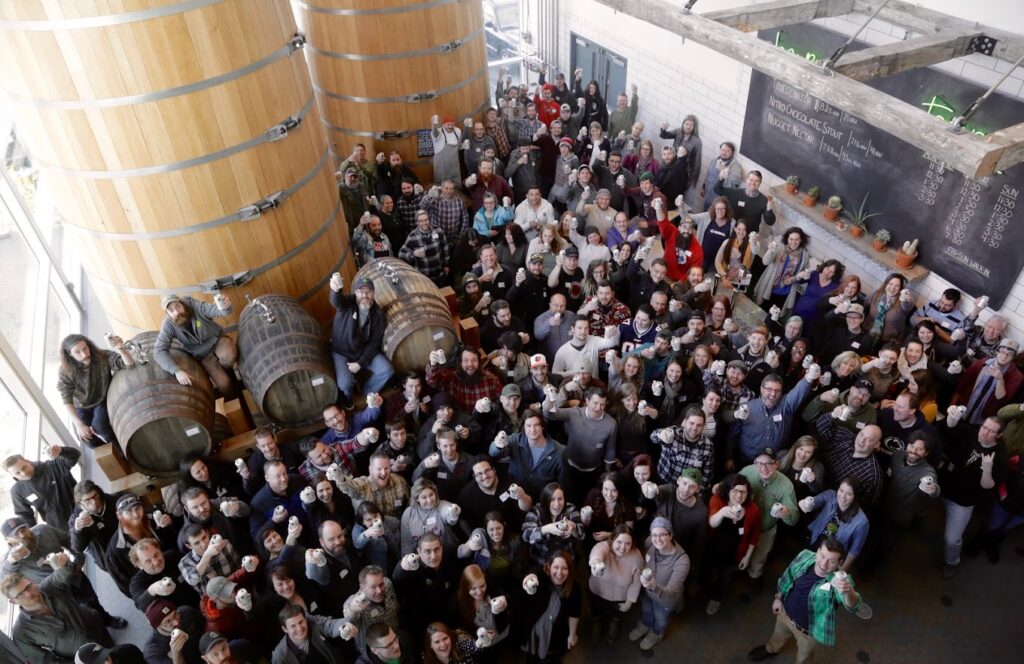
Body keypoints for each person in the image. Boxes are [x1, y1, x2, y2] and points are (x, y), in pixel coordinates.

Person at [747, 537, 864, 663]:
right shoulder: (805, 555)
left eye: (831, 561)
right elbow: (788, 575)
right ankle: (771, 649)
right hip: (784, 614)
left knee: (804, 658)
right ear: (818, 551)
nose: (823, 564)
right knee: (778, 636)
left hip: (808, 633)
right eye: (823, 556)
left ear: (840, 563)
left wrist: (848, 592)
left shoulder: (841, 582)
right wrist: (778, 598)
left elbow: (854, 606)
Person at [2, 553, 114, 663]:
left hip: (96, 628)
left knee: (115, 654)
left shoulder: (51, 586)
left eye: (28, 587)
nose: (28, 594)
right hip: (83, 657)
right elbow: (43, 660)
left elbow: (62, 573)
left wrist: (64, 563)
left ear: (33, 582)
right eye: (20, 594)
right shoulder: (22, 632)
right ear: (13, 601)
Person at [937, 415, 1008, 578]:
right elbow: (951, 428)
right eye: (984, 427)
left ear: (999, 435)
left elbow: (988, 485)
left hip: (963, 500)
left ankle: (951, 562)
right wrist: (952, 419)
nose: (984, 432)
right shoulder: (973, 433)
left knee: (952, 539)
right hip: (944, 485)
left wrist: (987, 469)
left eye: (991, 431)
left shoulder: (1000, 456)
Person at [729, 365, 817, 467]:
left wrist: (809, 378)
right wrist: (729, 457)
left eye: (777, 390)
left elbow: (798, 392)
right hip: (748, 461)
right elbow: (733, 435)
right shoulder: (746, 408)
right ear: (761, 389)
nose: (773, 394)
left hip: (776, 463)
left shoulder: (786, 404)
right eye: (769, 389)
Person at [327, 273, 392, 409]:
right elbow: (336, 301)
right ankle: (348, 399)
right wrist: (336, 290)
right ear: (355, 293)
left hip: (362, 352)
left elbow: (374, 343)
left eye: (368, 292)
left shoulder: (378, 314)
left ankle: (365, 392)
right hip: (341, 352)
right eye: (361, 292)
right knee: (345, 383)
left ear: (374, 293)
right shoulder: (348, 303)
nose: (365, 296)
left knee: (387, 370)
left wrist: (360, 363)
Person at [57, 333, 134, 446]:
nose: (84, 355)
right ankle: (112, 457)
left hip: (101, 400)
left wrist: (121, 349)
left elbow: (129, 364)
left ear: (89, 346)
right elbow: (66, 400)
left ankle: (121, 448)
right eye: (77, 352)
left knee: (101, 427)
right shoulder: (65, 370)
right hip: (81, 406)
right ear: (70, 354)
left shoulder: (102, 356)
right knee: (86, 438)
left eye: (85, 348)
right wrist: (79, 425)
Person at [542, 386, 617, 503]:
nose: (598, 408)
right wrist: (548, 398)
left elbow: (610, 451)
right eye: (595, 403)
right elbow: (549, 414)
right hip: (570, 467)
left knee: (589, 501)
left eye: (602, 404)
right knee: (568, 500)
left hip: (594, 471)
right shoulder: (574, 413)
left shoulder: (611, 424)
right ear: (587, 401)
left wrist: (607, 473)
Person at [155, 293, 238, 397]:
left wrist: (225, 307)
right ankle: (235, 397)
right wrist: (176, 371)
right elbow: (159, 351)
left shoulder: (195, 306)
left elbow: (215, 310)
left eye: (178, 306)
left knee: (228, 357)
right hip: (204, 356)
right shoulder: (168, 325)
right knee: (224, 385)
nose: (176, 312)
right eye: (171, 310)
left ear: (182, 304)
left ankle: (228, 369)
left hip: (217, 342)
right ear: (167, 313)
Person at [738, 449, 799, 590]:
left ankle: (754, 575)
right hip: (744, 526)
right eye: (760, 463)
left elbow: (794, 517)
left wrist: (786, 512)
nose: (764, 468)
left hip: (765, 528)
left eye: (769, 463)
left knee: (760, 555)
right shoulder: (747, 472)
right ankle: (738, 572)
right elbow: (731, 490)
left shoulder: (785, 484)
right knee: (739, 551)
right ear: (755, 463)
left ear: (776, 464)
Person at [628, 517, 688, 653]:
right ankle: (646, 623)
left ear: (671, 535)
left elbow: (672, 591)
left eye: (662, 535)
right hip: (647, 591)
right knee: (647, 610)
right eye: (654, 535)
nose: (657, 539)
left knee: (661, 618)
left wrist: (654, 586)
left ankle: (656, 632)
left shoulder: (682, 560)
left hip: (665, 599)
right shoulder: (650, 543)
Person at [705, 474, 761, 615]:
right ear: (728, 490)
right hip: (712, 549)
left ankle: (716, 599)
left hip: (735, 554)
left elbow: (754, 535)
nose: (739, 495)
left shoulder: (753, 510)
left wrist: (747, 557)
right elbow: (712, 522)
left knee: (725, 578)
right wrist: (723, 512)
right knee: (707, 573)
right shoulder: (717, 500)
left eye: (743, 491)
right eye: (735, 490)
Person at [519, 549, 582, 663]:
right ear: (549, 567)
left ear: (570, 570)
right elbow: (535, 571)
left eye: (564, 568)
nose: (559, 573)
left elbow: (574, 613)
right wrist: (531, 576)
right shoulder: (542, 578)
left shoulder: (574, 589)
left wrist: (572, 635)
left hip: (556, 636)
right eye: (556, 567)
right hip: (534, 634)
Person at [587, 525, 643, 644]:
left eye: (627, 543)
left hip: (619, 596)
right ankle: (597, 622)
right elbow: (597, 554)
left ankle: (614, 623)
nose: (622, 548)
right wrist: (596, 562)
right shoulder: (603, 547)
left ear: (632, 543)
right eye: (619, 542)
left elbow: (636, 582)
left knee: (616, 615)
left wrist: (630, 601)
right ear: (612, 539)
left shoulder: (637, 556)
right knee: (596, 611)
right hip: (598, 591)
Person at [813, 415, 884, 509]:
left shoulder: (873, 475)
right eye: (862, 434)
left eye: (869, 439)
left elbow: (866, 506)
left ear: (876, 445)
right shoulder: (846, 437)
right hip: (813, 485)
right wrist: (833, 414)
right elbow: (820, 426)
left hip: (833, 507)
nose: (861, 441)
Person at [5, 441, 80, 528]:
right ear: (13, 475)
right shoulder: (17, 491)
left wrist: (62, 450)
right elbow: (25, 515)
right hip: (59, 526)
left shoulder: (52, 466)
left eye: (24, 467)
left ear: (28, 461)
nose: (23, 473)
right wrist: (33, 534)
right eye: (17, 473)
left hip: (80, 510)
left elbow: (75, 455)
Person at [800, 477, 870, 571]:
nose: (842, 496)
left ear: (855, 496)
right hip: (815, 540)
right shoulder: (830, 495)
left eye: (848, 494)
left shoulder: (862, 521)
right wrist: (805, 502)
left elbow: (854, 550)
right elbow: (814, 502)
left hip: (833, 556)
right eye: (841, 490)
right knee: (801, 568)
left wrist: (842, 570)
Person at [953, 338, 1023, 427]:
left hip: (983, 421)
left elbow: (1001, 400)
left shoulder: (1016, 377)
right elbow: (962, 386)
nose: (1004, 357)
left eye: (1009, 354)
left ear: (1013, 357)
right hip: (963, 409)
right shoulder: (981, 364)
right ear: (997, 351)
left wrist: (1000, 379)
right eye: (1002, 352)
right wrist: (953, 403)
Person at [271, 602, 355, 664]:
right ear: (285, 629)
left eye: (301, 622)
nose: (299, 628)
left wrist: (347, 626)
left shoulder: (314, 625)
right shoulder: (280, 657)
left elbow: (331, 625)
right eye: (293, 626)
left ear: (305, 619)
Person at [713, 169, 776, 234]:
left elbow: (770, 222)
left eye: (757, 181)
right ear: (747, 180)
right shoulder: (735, 192)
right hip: (732, 231)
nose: (753, 183)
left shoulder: (764, 200)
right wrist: (721, 178)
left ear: (760, 183)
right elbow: (717, 190)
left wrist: (769, 209)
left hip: (749, 235)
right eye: (751, 180)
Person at [399, 209, 451, 287]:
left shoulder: (438, 230)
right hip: (423, 276)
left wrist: (447, 264)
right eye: (421, 221)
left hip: (439, 273)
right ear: (417, 222)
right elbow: (401, 254)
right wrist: (413, 254)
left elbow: (445, 246)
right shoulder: (412, 236)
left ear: (429, 219)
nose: (424, 223)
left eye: (426, 220)